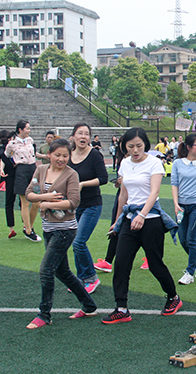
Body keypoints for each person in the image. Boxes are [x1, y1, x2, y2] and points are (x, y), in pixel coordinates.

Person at [103, 128, 181, 324]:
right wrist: (117, 220)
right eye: (131, 146)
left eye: (139, 145)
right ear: (124, 147)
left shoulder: (154, 163)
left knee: (155, 264)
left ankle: (173, 297)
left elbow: (154, 192)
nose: (135, 150)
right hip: (130, 219)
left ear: (145, 144)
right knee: (121, 263)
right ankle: (121, 308)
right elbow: (123, 194)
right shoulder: (124, 164)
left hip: (151, 219)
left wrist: (143, 215)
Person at [25, 138, 97, 329]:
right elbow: (29, 194)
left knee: (46, 271)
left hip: (65, 229)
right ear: (49, 155)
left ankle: (44, 314)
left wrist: (48, 204)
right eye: (57, 155)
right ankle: (89, 305)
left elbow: (73, 202)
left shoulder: (71, 174)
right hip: (48, 228)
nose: (61, 159)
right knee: (62, 271)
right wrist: (45, 197)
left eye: (65, 155)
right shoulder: (40, 170)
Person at [68, 123, 108, 294]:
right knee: (74, 242)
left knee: (79, 242)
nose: (83, 136)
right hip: (73, 205)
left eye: (86, 134)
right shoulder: (68, 155)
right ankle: (81, 278)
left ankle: (91, 278)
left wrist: (83, 184)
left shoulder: (95, 155)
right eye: (80, 133)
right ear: (73, 137)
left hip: (92, 205)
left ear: (90, 138)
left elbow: (104, 178)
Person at [171, 134, 196, 285]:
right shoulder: (178, 163)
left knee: (192, 239)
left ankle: (190, 272)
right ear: (188, 147)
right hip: (181, 205)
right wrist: (175, 203)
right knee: (182, 239)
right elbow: (175, 183)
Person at [5, 120, 41, 242]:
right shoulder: (12, 143)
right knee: (25, 202)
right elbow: (7, 155)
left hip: (33, 169)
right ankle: (30, 231)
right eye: (27, 128)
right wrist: (13, 164)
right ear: (20, 130)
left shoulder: (31, 140)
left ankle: (27, 226)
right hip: (21, 171)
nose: (29, 130)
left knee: (36, 202)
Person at [94, 141, 125, 274]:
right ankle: (108, 261)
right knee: (116, 228)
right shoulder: (123, 161)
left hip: (138, 200)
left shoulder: (144, 162)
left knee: (143, 231)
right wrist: (119, 183)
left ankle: (150, 258)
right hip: (122, 196)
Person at [0, 130, 18, 239]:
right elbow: (3, 157)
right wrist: (1, 169)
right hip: (10, 175)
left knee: (22, 201)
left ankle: (27, 226)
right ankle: (12, 229)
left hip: (18, 175)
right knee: (10, 202)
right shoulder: (2, 149)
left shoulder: (18, 146)